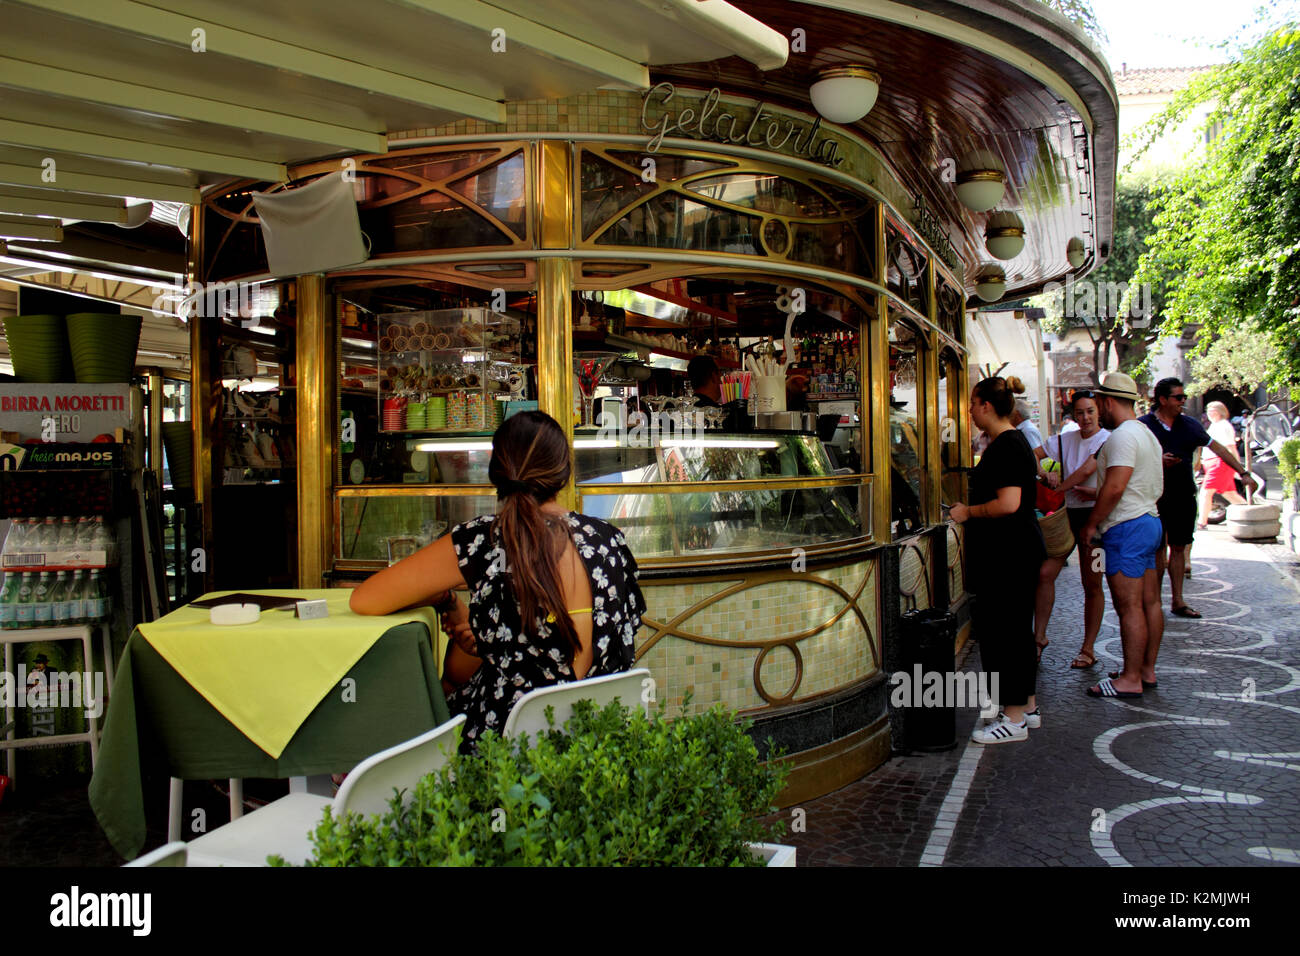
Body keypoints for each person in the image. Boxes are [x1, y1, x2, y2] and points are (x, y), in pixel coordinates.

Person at [350, 411, 645, 748]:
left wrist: (447, 600)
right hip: (600, 748)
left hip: (502, 758)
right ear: (564, 473)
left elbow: (364, 600)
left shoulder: (484, 541)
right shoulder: (610, 542)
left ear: (497, 473)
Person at [949, 376, 1046, 743]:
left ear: (986, 406)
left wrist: (968, 512)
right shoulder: (1012, 441)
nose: (970, 411)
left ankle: (1014, 718)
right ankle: (1029, 708)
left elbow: (1009, 504)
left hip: (1009, 553)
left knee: (1004, 632)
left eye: (973, 404)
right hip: (1017, 550)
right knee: (1017, 630)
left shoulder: (1006, 445)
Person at [1139, 378, 1254, 618]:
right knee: (1158, 549)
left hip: (1183, 495)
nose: (1183, 401)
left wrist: (1242, 472)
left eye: (1184, 397)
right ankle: (1154, 602)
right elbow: (1129, 458)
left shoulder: (1190, 425)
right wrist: (1157, 461)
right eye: (1178, 397)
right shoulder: (1143, 426)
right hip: (1153, 497)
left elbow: (1219, 449)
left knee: (1179, 547)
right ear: (1162, 400)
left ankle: (1178, 601)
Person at [1079, 373, 1165, 698]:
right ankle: (1145, 669)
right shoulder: (1147, 434)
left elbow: (1115, 487)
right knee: (1149, 602)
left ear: (1107, 401)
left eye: (1099, 402)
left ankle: (1130, 678)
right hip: (1149, 521)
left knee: (1129, 606)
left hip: (1125, 526)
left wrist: (1092, 525)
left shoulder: (1122, 437)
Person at [1030, 391, 1110, 669]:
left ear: (1098, 411)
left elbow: (1088, 470)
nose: (1085, 418)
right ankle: (1038, 639)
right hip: (1065, 517)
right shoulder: (1064, 440)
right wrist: (1043, 473)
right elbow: (1032, 456)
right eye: (1080, 413)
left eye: (1090, 411)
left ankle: (1088, 648)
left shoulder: (1108, 439)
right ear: (1072, 415)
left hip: (1096, 520)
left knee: (1093, 583)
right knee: (1045, 573)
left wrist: (1061, 487)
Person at [1197, 401, 1247, 529]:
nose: (1209, 413)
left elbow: (1231, 447)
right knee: (1229, 494)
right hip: (1212, 462)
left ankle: (1202, 522)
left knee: (1205, 492)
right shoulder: (1215, 426)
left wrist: (1238, 467)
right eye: (1208, 410)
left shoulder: (1224, 426)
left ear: (1220, 412)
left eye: (1212, 410)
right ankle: (1249, 512)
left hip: (1220, 463)